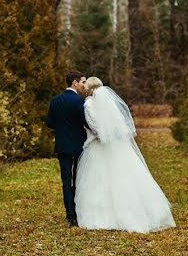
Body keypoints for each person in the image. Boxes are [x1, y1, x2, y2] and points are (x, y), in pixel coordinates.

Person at [74, 77, 176, 233]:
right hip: (117, 146)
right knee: (125, 178)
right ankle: (140, 212)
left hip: (98, 147)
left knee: (99, 181)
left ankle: (104, 216)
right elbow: (118, 125)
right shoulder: (110, 104)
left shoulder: (88, 105)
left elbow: (97, 129)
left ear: (88, 89)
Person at [45, 71, 88, 226]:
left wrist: (62, 127)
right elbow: (86, 121)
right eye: (82, 82)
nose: (84, 85)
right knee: (77, 180)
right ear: (74, 83)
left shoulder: (55, 100)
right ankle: (78, 212)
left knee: (65, 181)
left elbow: (49, 122)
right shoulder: (79, 101)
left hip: (62, 145)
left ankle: (70, 215)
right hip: (79, 145)